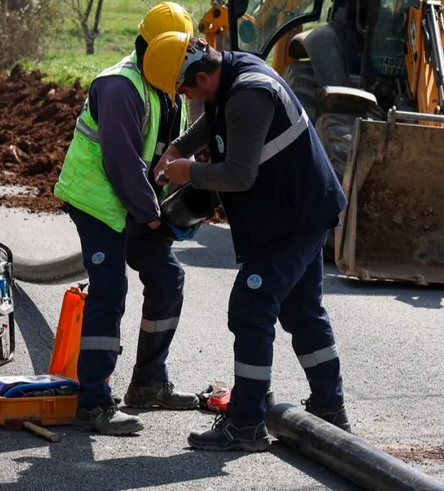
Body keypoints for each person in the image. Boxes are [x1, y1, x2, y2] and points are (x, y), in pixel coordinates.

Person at [146, 31, 350, 452]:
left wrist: (189, 172)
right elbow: (213, 122)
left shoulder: (249, 95)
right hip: (298, 210)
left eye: (185, 90)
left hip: (294, 218)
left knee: (251, 307)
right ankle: (330, 409)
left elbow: (239, 175)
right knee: (301, 310)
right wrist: (179, 147)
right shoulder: (229, 72)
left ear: (202, 78)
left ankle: (246, 423)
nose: (186, 97)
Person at [52, 2, 203, 436]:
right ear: (152, 48)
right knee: (109, 289)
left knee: (167, 278)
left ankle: (148, 383)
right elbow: (122, 165)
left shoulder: (164, 86)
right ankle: (93, 402)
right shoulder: (120, 86)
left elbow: (161, 154)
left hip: (134, 203)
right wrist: (153, 218)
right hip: (97, 202)